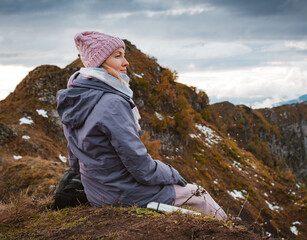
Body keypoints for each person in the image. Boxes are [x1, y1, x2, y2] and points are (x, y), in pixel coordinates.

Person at [56, 31, 227, 220]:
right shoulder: (112, 102)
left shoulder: (75, 98)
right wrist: (173, 173)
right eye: (117, 56)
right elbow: (141, 167)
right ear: (100, 62)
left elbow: (74, 160)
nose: (126, 62)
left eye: (124, 55)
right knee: (199, 196)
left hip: (97, 193)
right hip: (123, 194)